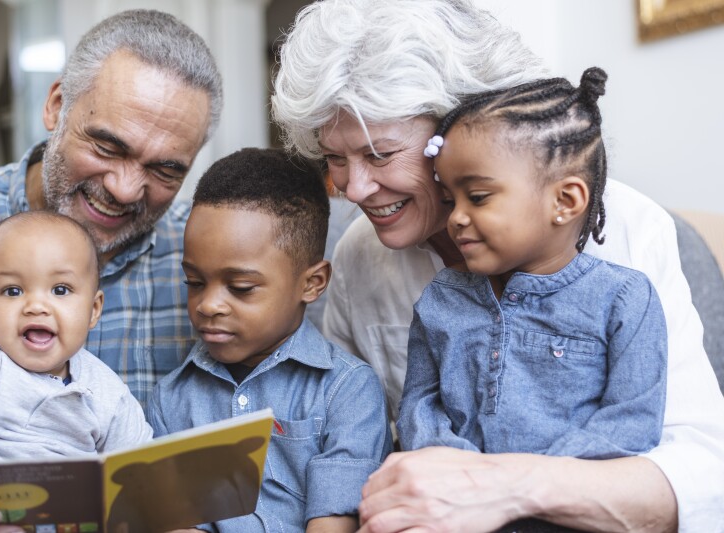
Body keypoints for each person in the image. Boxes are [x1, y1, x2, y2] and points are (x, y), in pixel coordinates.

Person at [271, 0, 724, 531]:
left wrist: (502, 488)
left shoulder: (623, 228)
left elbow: (704, 473)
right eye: (334, 159)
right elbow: (351, 435)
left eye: (379, 154)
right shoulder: (357, 255)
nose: (354, 188)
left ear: (466, 125)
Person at [0, 9, 223, 407]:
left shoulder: (207, 260)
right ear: (56, 105)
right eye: (107, 147)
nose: (125, 190)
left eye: (165, 170)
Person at [398, 67, 668, 462]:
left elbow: (632, 423)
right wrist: (461, 470)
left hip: (567, 505)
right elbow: (419, 408)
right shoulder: (441, 297)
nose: (455, 218)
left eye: (477, 196)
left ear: (565, 201)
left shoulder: (623, 299)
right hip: (452, 496)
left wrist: (529, 482)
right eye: (449, 200)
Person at [147, 148, 392, 532]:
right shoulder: (171, 399)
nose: (208, 304)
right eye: (194, 282)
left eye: (241, 288)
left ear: (312, 283)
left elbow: (334, 522)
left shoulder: (347, 391)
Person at [0, 211, 152, 463]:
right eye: (12, 291)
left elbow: (141, 463)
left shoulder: (107, 393)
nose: (36, 306)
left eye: (60, 289)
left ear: (93, 310)